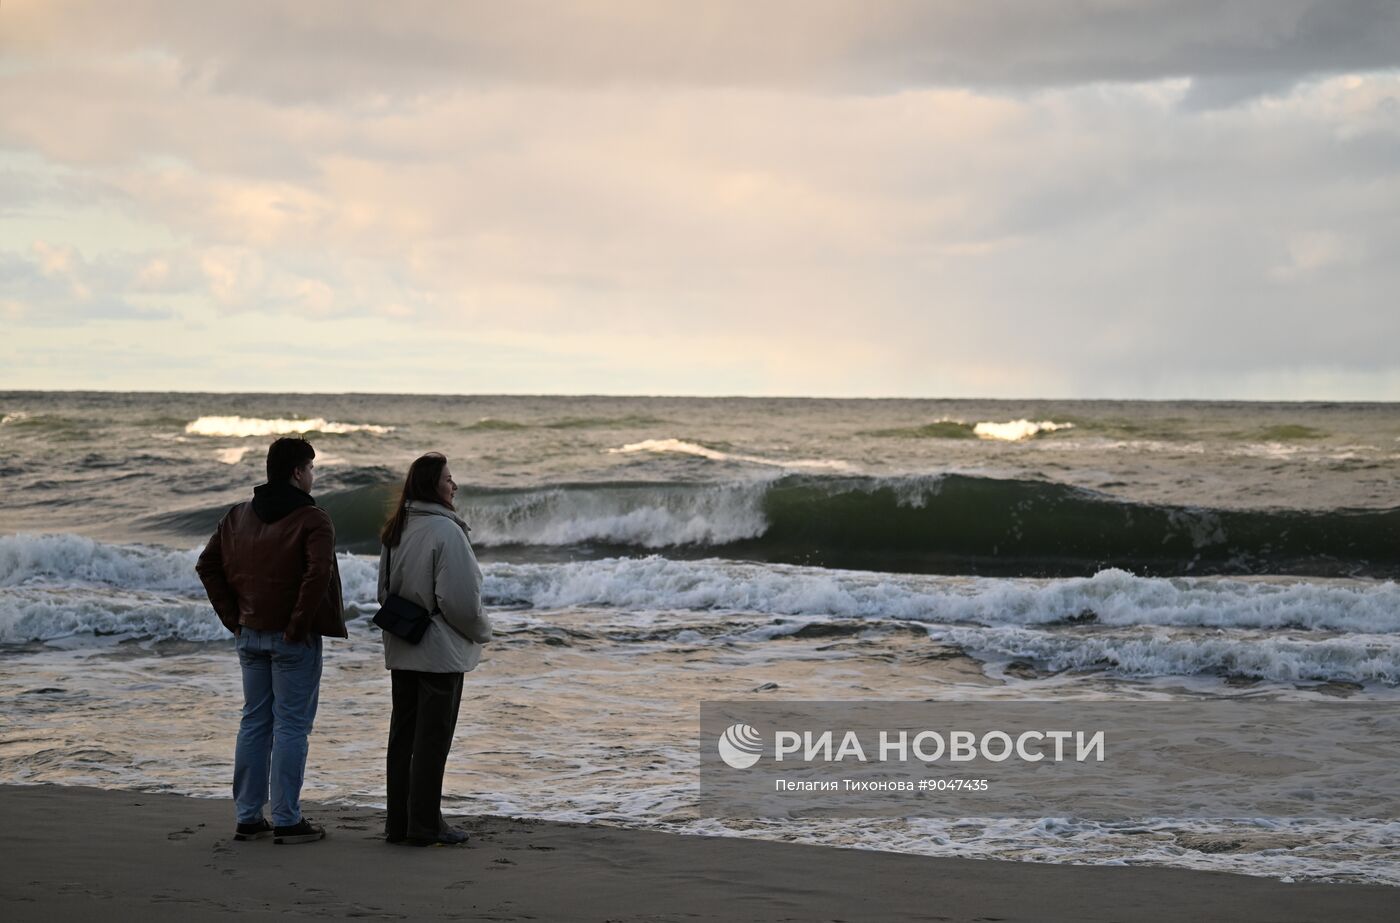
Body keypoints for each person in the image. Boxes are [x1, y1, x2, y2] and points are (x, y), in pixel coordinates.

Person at [195, 436, 346, 845]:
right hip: (291, 638)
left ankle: (247, 816)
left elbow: (207, 565)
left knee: (255, 723)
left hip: (251, 633)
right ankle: (286, 818)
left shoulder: (238, 515)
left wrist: (234, 618)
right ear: (298, 472)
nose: (313, 476)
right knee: (293, 726)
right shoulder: (314, 519)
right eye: (311, 468)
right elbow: (317, 576)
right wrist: (297, 625)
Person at [378, 452, 492, 846]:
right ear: (432, 486)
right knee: (432, 739)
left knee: (403, 737)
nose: (454, 485)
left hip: (402, 642)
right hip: (439, 651)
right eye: (448, 479)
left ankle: (399, 823)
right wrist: (482, 631)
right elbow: (460, 602)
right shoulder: (446, 532)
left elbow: (383, 591)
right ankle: (425, 825)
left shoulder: (397, 528)